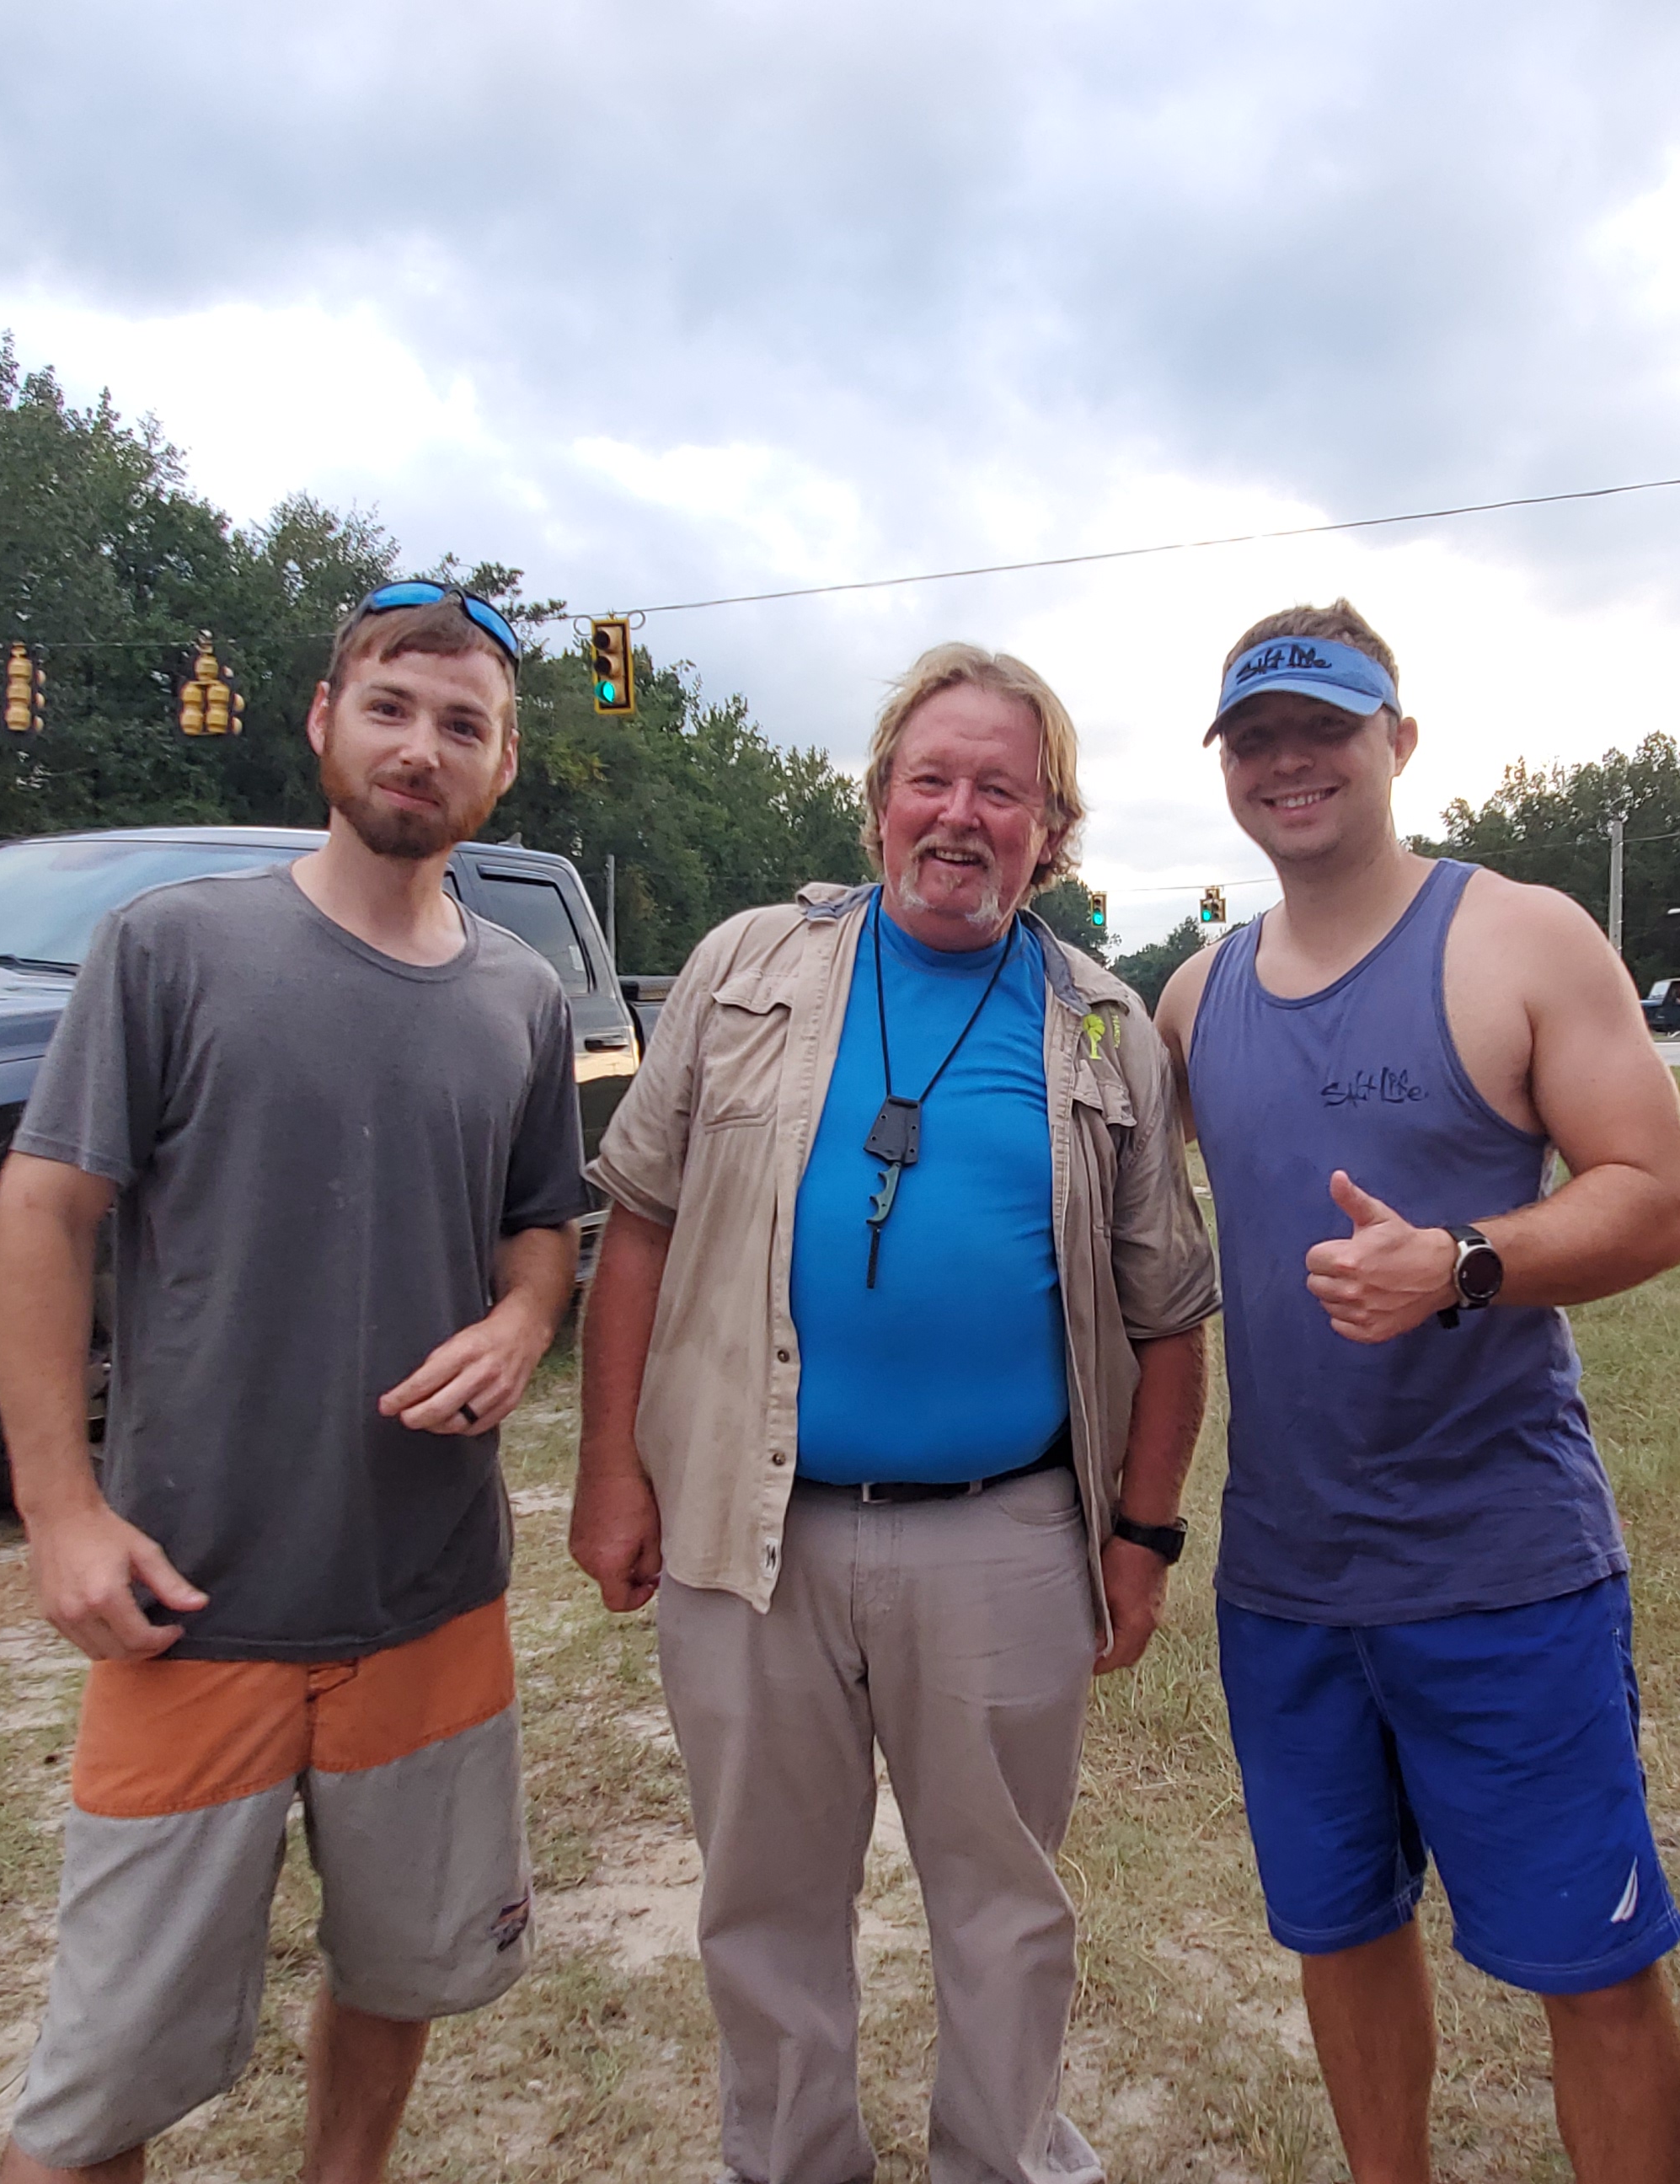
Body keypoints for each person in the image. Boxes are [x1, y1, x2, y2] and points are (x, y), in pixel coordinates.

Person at [574, 641, 1218, 2184]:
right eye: (932, 779)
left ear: (1050, 833)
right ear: (878, 804)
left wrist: (1141, 1537)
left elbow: (1170, 1311)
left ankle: (1001, 2160)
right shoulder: (745, 968)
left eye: (1003, 790)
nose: (960, 814)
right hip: (752, 1531)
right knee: (763, 1903)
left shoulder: (1101, 1027)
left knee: (1004, 1911)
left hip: (1005, 1537)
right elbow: (638, 1221)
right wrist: (611, 1473)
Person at [0, 581, 587, 2184]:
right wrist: (61, 1512)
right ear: (324, 722)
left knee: (400, 1970)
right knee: (101, 2080)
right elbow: (43, 1213)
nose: (420, 747)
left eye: (462, 725)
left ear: (501, 766)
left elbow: (541, 1228)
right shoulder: (176, 947)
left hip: (430, 1592)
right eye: (389, 708)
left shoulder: (521, 998)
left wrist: (526, 1320)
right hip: (192, 1599)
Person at [1153, 602, 1680, 2184]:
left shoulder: (1519, 937)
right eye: (1257, 738)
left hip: (1502, 1573)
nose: (1290, 762)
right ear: (1227, 769)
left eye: (1324, 728)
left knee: (1591, 1964)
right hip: (1286, 1582)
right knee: (1340, 1935)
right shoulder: (1196, 997)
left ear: (1397, 740)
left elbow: (1656, 1197)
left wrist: (1462, 1261)